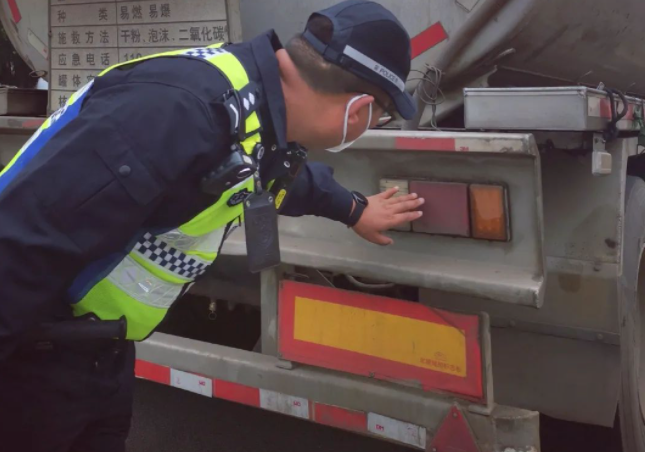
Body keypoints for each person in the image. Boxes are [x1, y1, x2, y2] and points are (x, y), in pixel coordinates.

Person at [0, 1, 423, 450]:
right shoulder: (177, 111)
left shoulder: (254, 108)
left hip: (98, 351)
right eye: (382, 114)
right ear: (358, 111)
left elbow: (274, 173)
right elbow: (21, 247)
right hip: (39, 356)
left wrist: (354, 209)